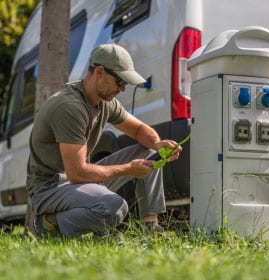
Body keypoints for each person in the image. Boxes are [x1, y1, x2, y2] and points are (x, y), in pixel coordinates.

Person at [26, 44, 182, 238]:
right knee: (114, 207)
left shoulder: (106, 102)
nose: (123, 89)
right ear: (99, 72)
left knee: (149, 151)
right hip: (49, 189)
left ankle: (151, 231)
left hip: (75, 182)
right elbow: (77, 173)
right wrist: (128, 169)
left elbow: (138, 129)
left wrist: (158, 144)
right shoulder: (69, 107)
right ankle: (47, 224)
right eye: (120, 81)